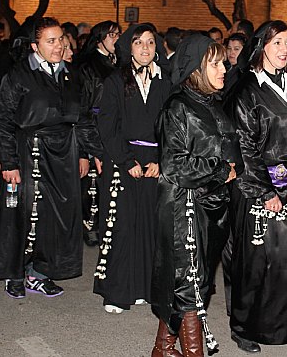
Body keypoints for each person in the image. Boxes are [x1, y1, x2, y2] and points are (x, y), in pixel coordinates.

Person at [0, 17, 103, 299]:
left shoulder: (73, 75)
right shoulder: (19, 76)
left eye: (61, 39)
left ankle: (39, 273)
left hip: (63, 155)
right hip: (28, 153)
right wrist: (8, 162)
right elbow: (4, 122)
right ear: (36, 46)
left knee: (56, 216)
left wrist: (90, 152)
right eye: (51, 41)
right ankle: (14, 272)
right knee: (21, 212)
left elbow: (84, 120)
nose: (59, 45)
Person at [151, 34, 242, 356]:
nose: (224, 68)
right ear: (195, 68)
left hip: (213, 207)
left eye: (223, 62)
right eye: (215, 63)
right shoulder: (178, 107)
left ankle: (163, 348)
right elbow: (173, 163)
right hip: (183, 205)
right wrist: (219, 169)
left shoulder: (213, 103)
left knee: (197, 281)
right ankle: (193, 352)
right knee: (189, 283)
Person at [229, 20, 287, 353]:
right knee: (254, 262)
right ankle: (244, 327)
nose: (284, 49)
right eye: (277, 42)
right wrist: (264, 192)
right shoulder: (246, 89)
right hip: (257, 186)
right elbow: (243, 145)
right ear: (261, 46)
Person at [93, 23, 171, 313]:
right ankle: (117, 292)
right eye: (139, 43)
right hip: (122, 159)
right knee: (122, 226)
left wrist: (162, 161)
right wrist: (126, 161)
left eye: (151, 43)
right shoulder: (115, 81)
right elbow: (107, 125)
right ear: (129, 47)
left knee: (149, 227)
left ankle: (143, 287)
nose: (145, 49)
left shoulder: (165, 82)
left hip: (154, 162)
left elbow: (172, 127)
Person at [77, 21, 121, 246]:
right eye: (112, 35)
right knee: (91, 183)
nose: (116, 39)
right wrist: (84, 151)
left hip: (114, 127)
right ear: (101, 38)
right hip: (94, 128)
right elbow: (83, 108)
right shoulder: (88, 66)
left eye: (118, 34)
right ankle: (89, 224)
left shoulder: (119, 61)